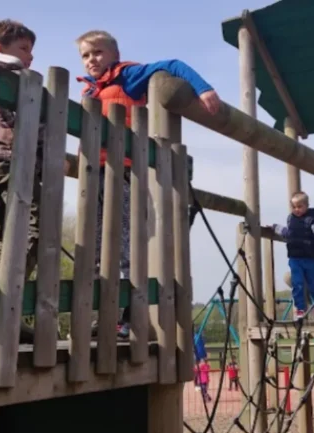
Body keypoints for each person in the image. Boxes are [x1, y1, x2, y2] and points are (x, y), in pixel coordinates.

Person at [75, 29, 221, 339]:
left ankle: (127, 316)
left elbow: (173, 64)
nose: (92, 60)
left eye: (98, 52)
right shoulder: (90, 91)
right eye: (86, 55)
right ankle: (102, 315)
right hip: (96, 172)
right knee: (97, 246)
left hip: (126, 170)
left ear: (114, 54)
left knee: (125, 242)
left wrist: (203, 89)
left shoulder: (127, 76)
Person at [0, 19, 42, 282]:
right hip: (12, 163)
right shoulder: (11, 78)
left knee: (3, 238)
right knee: (33, 231)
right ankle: (4, 297)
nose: (29, 56)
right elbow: (18, 124)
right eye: (24, 48)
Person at [272, 192, 314, 321]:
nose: (297, 210)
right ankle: (300, 309)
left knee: (312, 285)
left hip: (310, 258)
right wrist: (275, 227)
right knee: (297, 284)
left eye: (300, 206)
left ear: (306, 205)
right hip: (295, 258)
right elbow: (289, 233)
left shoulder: (313, 220)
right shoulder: (291, 219)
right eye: (294, 207)